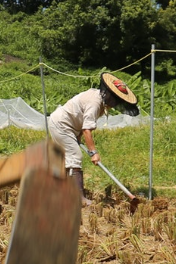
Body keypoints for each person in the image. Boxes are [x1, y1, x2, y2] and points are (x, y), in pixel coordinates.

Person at [47, 72, 139, 205]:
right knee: (75, 157)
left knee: (68, 159)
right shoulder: (95, 103)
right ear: (108, 94)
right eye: (115, 99)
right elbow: (87, 130)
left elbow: (80, 119)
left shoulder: (100, 100)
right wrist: (93, 153)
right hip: (61, 124)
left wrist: (76, 136)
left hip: (70, 126)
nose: (115, 103)